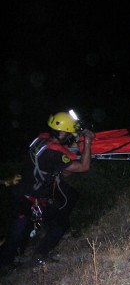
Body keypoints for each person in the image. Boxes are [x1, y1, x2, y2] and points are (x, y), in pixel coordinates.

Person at [0, 110, 95, 269]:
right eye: (70, 133)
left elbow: (65, 171)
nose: (72, 135)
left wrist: (68, 150)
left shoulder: (41, 138)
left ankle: (9, 259)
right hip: (28, 198)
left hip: (22, 192)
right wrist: (87, 142)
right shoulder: (54, 152)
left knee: (18, 231)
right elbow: (83, 167)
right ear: (63, 133)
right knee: (55, 226)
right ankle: (34, 257)